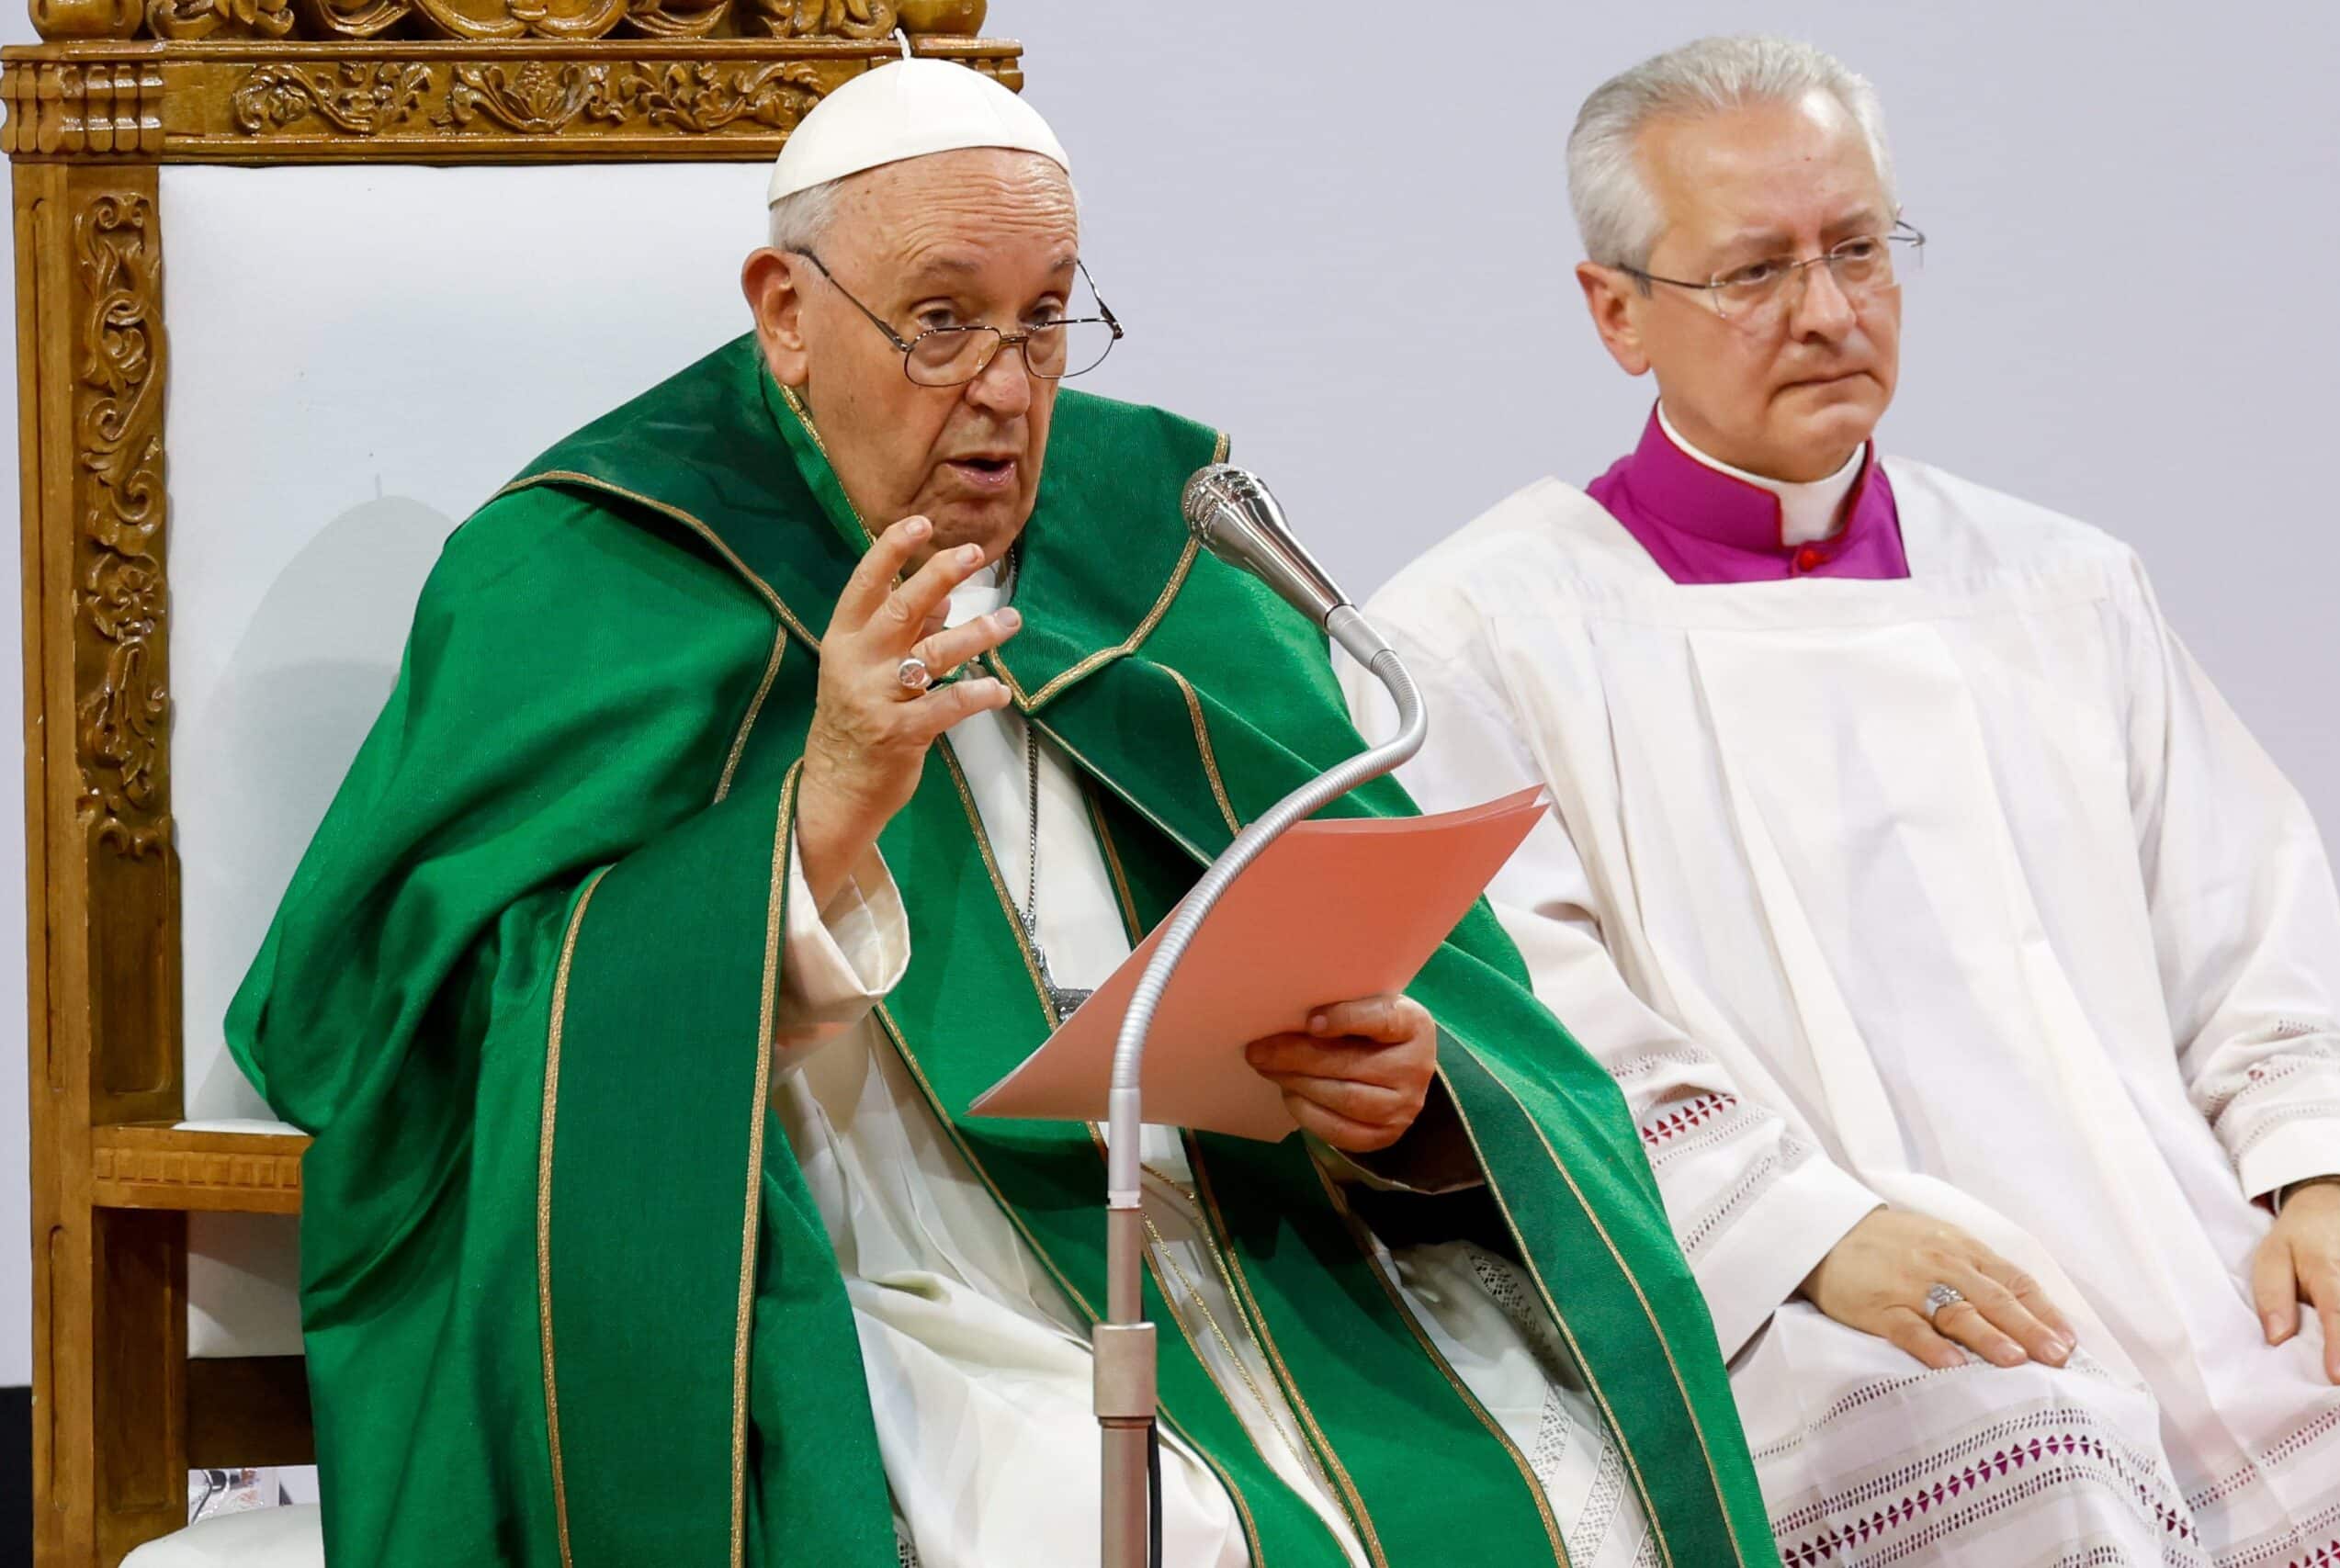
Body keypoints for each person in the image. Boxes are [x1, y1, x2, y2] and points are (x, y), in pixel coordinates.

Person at [229, 55, 1775, 1568]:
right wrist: (816, 811)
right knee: (1165, 1531)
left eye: (1046, 320)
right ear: (785, 313)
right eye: (943, 322)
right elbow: (369, 1025)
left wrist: (1407, 1114)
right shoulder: (588, 570)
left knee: (1563, 1501)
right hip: (867, 1262)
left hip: (1241, 1230)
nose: (1007, 390)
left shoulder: (1160, 529)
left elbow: (1448, 1010)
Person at [1348, 33, 2340, 1568]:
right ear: (1615, 311)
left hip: (2172, 1233)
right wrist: (1804, 1232)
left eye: (1860, 250)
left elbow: (2247, 918)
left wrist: (2316, 1169)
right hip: (1801, 1283)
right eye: (1754, 271)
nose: (1827, 312)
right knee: (2032, 1461)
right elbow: (1540, 1029)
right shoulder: (1473, 640)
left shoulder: (2060, 585)